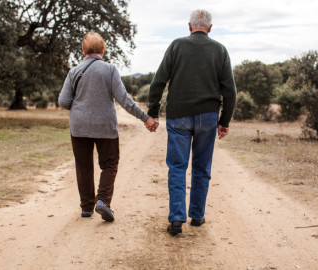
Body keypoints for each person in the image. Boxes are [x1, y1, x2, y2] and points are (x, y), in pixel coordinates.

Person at [147, 9, 237, 235]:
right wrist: (224, 121)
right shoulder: (220, 50)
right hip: (208, 116)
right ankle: (197, 216)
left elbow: (158, 82)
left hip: (178, 115)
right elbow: (230, 91)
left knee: (177, 167)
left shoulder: (176, 46)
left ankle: (177, 219)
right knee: (201, 166)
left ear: (189, 26)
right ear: (210, 28)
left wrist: (153, 112)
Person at [59, 32, 158, 222]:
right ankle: (103, 200)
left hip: (79, 126)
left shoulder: (73, 71)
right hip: (105, 125)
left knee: (83, 165)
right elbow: (125, 100)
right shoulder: (110, 70)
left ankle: (86, 207)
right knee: (110, 164)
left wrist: (80, 106)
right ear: (103, 50)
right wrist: (145, 118)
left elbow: (63, 101)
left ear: (83, 50)